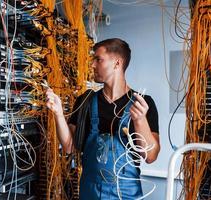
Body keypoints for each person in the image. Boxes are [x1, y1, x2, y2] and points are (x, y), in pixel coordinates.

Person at [46, 38, 160, 199]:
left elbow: (151, 156)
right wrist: (58, 113)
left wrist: (140, 120)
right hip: (89, 191)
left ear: (117, 63)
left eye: (98, 59)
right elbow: (69, 146)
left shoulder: (143, 103)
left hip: (126, 194)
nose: (92, 65)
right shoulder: (85, 102)